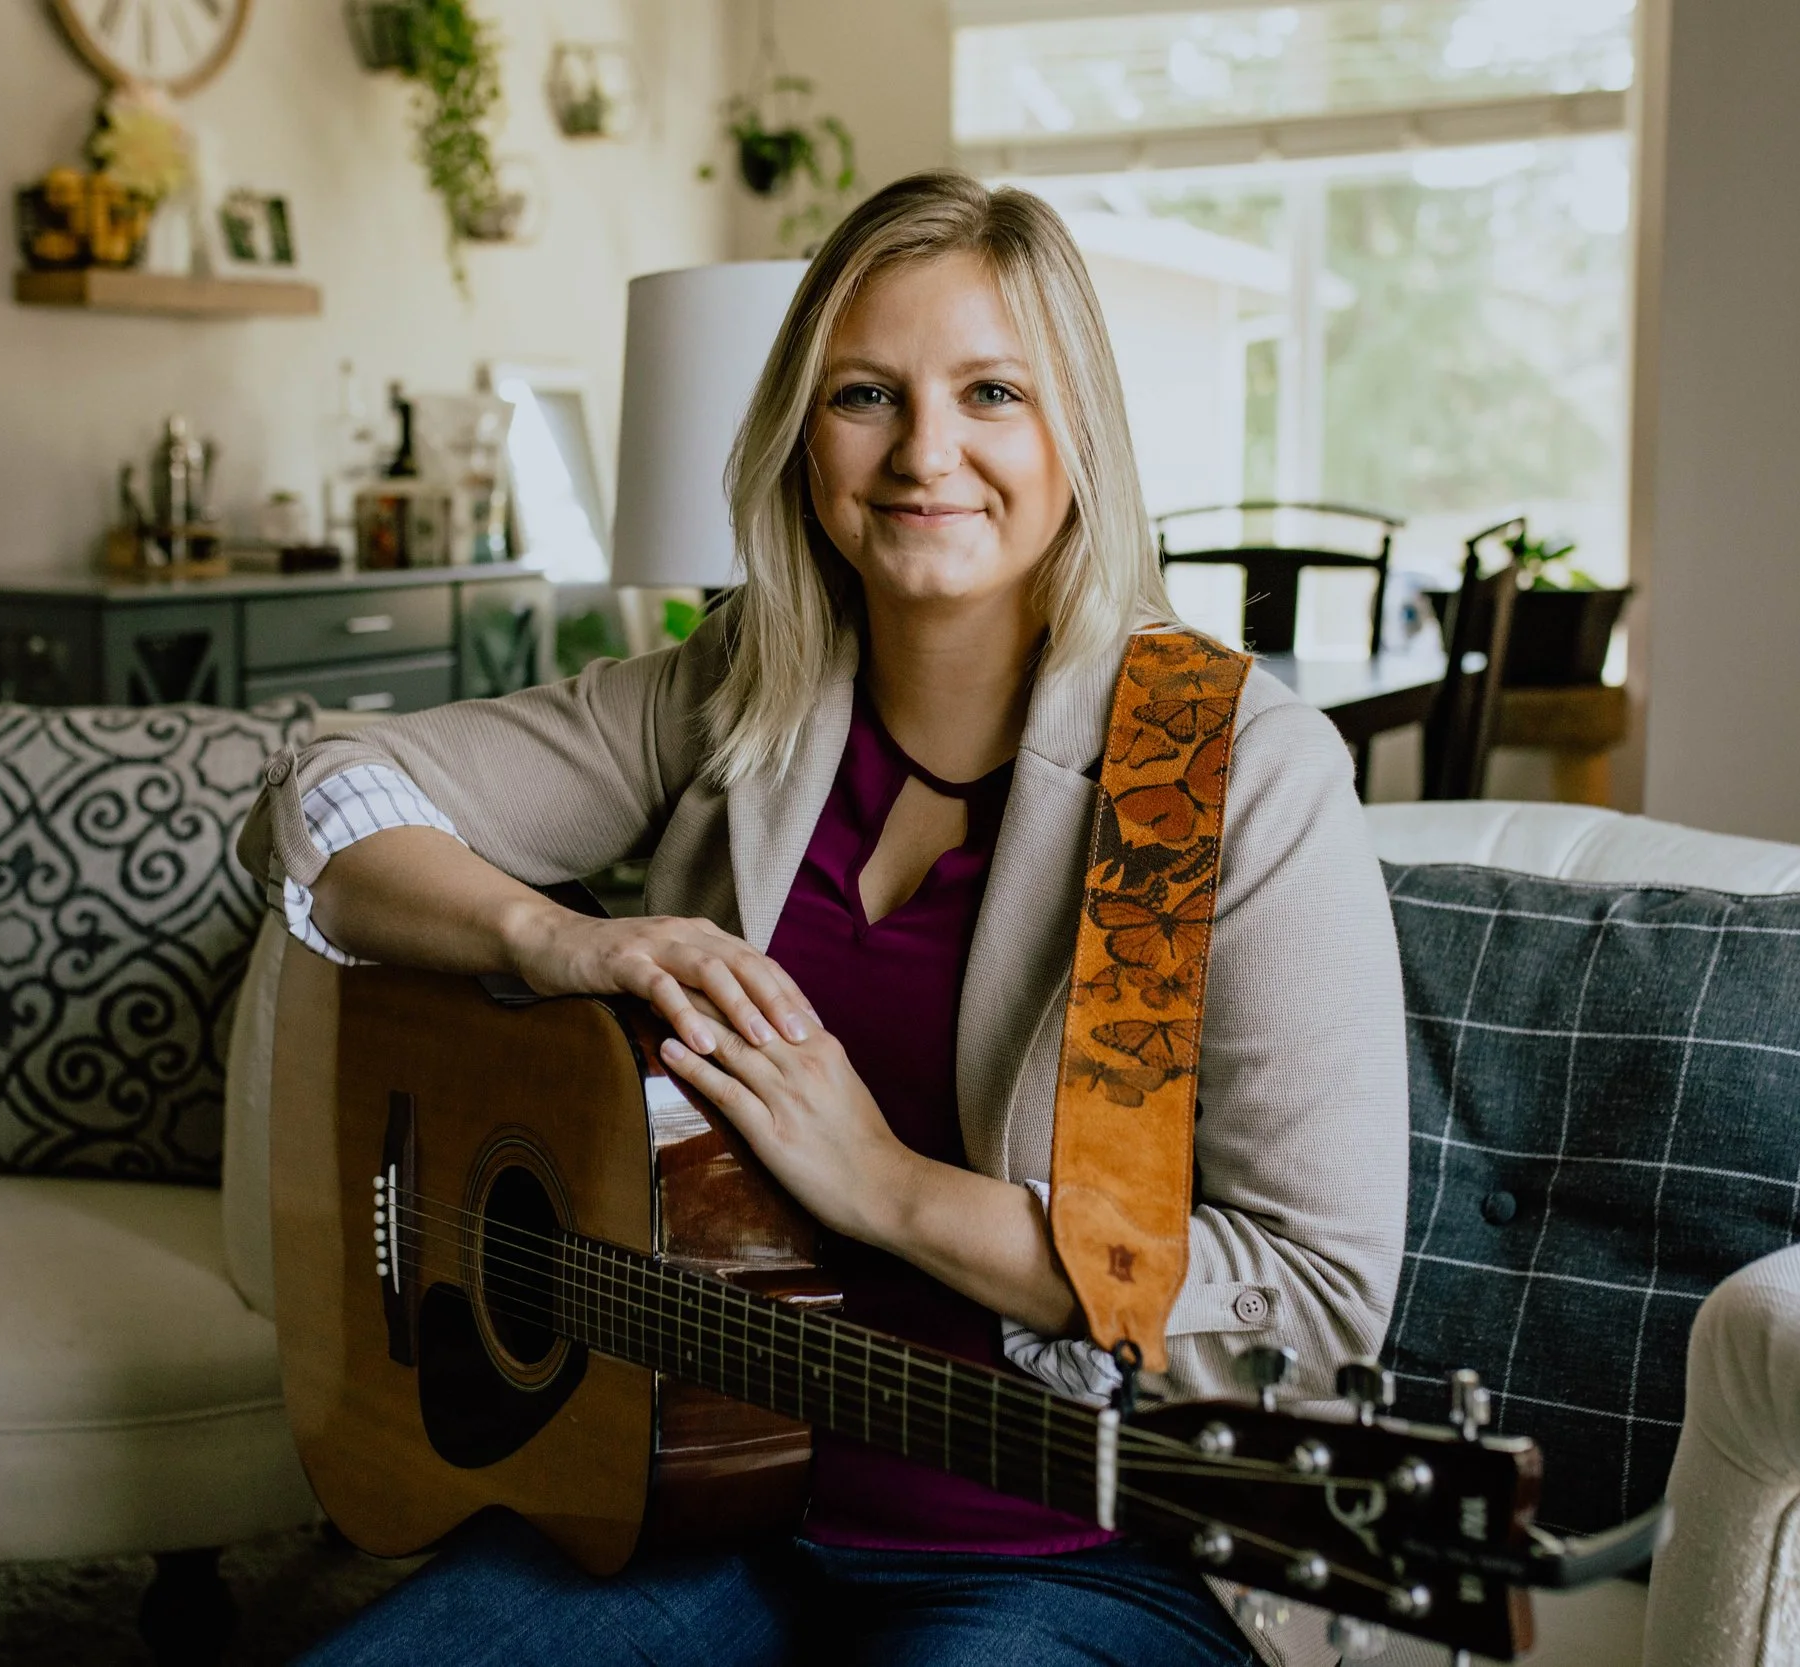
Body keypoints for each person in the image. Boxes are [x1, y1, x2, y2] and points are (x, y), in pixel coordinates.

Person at [237, 170, 1407, 1667]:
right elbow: (329, 793)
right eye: (867, 393)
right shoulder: (737, 693)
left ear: (1078, 439)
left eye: (993, 390)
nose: (927, 451)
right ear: (804, 436)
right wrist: (559, 941)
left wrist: (886, 1184)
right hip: (699, 1507)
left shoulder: (1216, 767)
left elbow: (1311, 1300)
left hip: (1082, 1557)